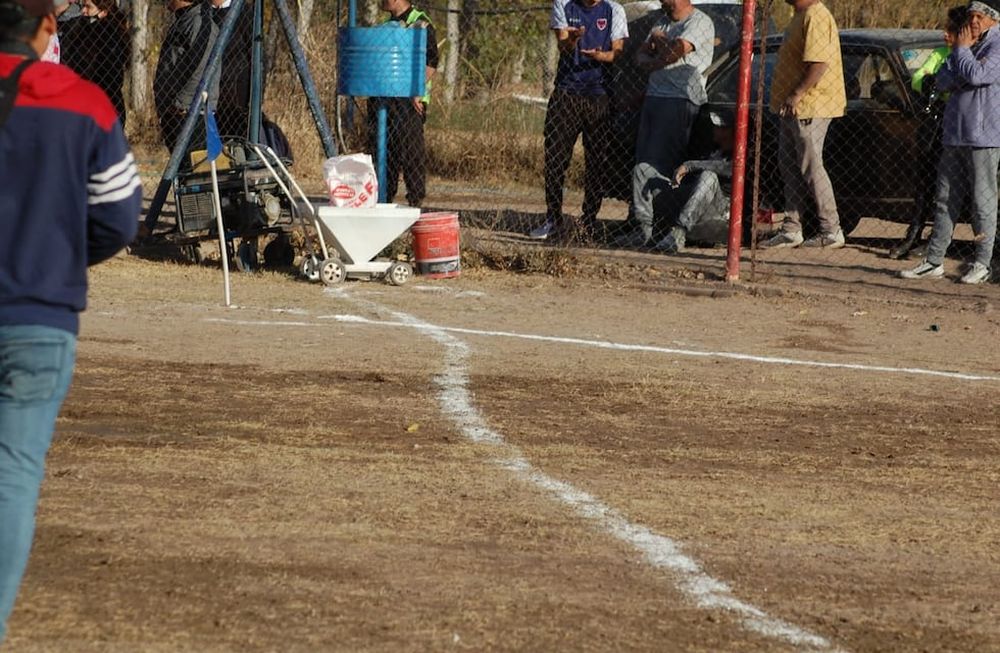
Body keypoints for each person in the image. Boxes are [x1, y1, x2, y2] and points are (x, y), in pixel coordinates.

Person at [0, 0, 140, 641]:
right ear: (47, 27)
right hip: (39, 315)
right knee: (13, 473)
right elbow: (118, 217)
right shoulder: (84, 102)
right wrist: (60, 253)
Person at [901, 0, 1000, 284]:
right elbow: (942, 79)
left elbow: (979, 75)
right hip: (955, 133)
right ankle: (933, 261)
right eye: (970, 17)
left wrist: (961, 53)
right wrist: (964, 62)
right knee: (944, 199)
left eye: (978, 16)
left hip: (983, 136)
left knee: (982, 201)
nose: (973, 22)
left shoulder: (995, 45)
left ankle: (982, 263)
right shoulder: (969, 45)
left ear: (992, 18)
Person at [618, 0, 714, 249]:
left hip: (679, 99)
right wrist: (658, 53)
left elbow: (677, 50)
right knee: (643, 162)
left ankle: (663, 227)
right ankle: (643, 227)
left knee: (660, 165)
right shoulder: (662, 22)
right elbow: (640, 55)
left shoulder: (699, 22)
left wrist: (658, 49)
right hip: (654, 97)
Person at [529, 0, 628, 243]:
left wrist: (600, 55)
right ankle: (553, 219)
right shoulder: (563, 5)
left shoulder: (614, 10)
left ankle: (588, 223)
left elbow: (618, 51)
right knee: (555, 159)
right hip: (566, 94)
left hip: (599, 96)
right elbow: (563, 45)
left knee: (597, 161)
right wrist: (572, 40)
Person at [762, 0, 846, 250]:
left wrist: (797, 93)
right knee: (788, 164)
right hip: (792, 106)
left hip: (810, 105)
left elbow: (819, 63)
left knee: (810, 165)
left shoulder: (816, 16)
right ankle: (792, 227)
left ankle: (831, 229)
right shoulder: (799, 15)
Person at [889, 5, 968, 260]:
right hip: (937, 121)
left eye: (952, 30)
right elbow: (919, 76)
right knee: (926, 179)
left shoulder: (967, 55)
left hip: (960, 124)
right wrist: (927, 81)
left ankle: (943, 239)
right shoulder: (940, 53)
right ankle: (915, 233)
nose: (946, 34)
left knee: (952, 186)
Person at [368, 0, 437, 208]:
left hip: (408, 101)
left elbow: (432, 62)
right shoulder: (386, 25)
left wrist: (416, 90)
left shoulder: (420, 23)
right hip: (386, 99)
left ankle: (415, 201)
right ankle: (384, 199)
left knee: (411, 151)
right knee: (385, 152)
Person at [656, 108, 735, 253]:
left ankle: (679, 233)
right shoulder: (712, 150)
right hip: (697, 210)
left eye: (721, 127)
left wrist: (690, 165)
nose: (715, 129)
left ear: (731, 131)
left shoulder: (738, 155)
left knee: (708, 177)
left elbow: (729, 169)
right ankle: (646, 230)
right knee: (651, 178)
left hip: (722, 216)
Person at [153, 0, 219, 154]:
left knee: (193, 170)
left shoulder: (199, 23)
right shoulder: (184, 20)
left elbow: (201, 69)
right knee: (181, 171)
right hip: (176, 114)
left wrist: (179, 105)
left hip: (192, 115)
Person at [61, 0, 130, 124]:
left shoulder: (107, 37)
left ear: (103, 12)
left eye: (88, 7)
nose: (83, 11)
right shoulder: (85, 31)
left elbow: (110, 78)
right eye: (83, 6)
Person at [210, 0, 252, 138]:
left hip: (235, 99)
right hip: (205, 97)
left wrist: (251, 98)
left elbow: (258, 57)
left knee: (234, 144)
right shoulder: (201, 12)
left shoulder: (245, 12)